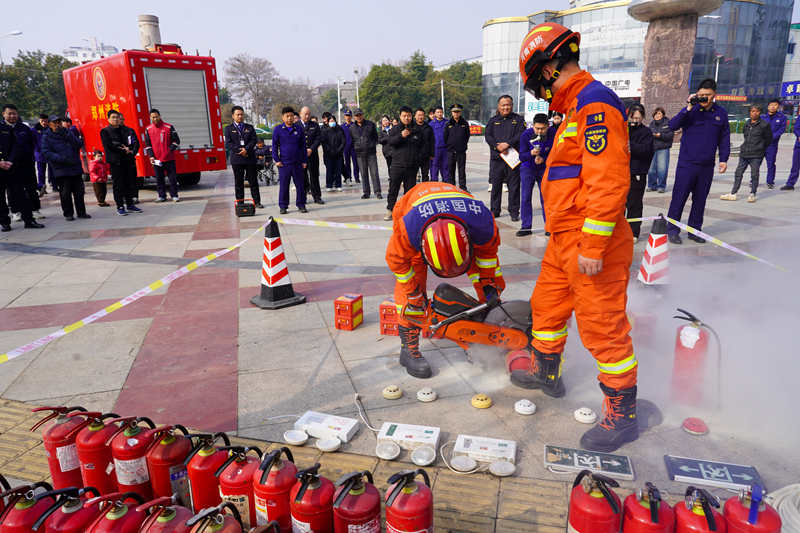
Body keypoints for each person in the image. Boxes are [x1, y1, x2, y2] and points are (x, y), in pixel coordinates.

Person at [519, 22, 638, 452]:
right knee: (545, 309)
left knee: (602, 328)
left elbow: (608, 181)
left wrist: (592, 245)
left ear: (549, 68)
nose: (541, 95)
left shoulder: (595, 105)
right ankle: (546, 372)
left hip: (591, 244)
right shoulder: (573, 110)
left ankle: (622, 415)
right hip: (562, 239)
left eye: (538, 85)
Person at [385, 181, 505, 378]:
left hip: (460, 215)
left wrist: (490, 289)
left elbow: (487, 260)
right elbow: (397, 261)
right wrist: (414, 293)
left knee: (486, 284)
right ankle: (408, 349)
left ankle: (481, 333)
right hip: (412, 205)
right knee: (411, 289)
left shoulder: (483, 224)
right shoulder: (408, 229)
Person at [666, 78, 730, 244]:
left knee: (700, 200)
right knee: (679, 198)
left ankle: (694, 231)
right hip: (687, 164)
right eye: (701, 95)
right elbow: (673, 125)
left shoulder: (721, 113)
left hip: (706, 166)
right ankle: (672, 229)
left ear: (714, 95)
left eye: (707, 95)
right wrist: (688, 107)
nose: (704, 98)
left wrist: (723, 159)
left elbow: (724, 138)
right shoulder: (691, 111)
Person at [41, 115, 91, 221]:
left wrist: (69, 135)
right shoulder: (47, 136)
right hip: (61, 169)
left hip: (75, 166)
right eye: (55, 122)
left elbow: (78, 144)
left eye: (59, 122)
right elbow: (46, 152)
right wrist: (60, 158)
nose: (57, 124)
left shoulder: (67, 132)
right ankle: (68, 214)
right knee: (65, 193)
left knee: (79, 192)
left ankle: (81, 212)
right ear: (50, 124)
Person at [485, 95, 524, 221]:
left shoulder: (518, 119)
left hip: (512, 158)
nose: (505, 107)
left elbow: (521, 134)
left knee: (514, 186)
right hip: (497, 159)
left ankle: (514, 212)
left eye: (508, 105)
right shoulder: (493, 120)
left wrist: (508, 144)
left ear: (512, 106)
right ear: (499, 106)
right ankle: (495, 210)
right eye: (503, 105)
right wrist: (497, 146)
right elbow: (488, 136)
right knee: (496, 186)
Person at [720, 105, 771, 203]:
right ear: (750, 112)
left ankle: (753, 194)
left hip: (756, 155)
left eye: (757, 111)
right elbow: (745, 135)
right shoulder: (747, 123)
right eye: (752, 111)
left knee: (754, 174)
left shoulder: (764, 125)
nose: (754, 113)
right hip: (744, 154)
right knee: (738, 173)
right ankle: (733, 193)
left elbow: (768, 140)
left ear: (760, 112)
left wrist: (760, 148)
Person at [3, 104, 43, 222]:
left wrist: (31, 158)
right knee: (12, 190)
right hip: (9, 166)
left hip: (26, 164)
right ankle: (16, 211)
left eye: (14, 113)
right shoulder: (2, 129)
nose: (12, 116)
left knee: (31, 187)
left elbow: (32, 144)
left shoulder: (24, 128)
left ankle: (35, 209)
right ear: (4, 114)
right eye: (9, 113)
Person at [517, 113, 554, 237]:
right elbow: (521, 156)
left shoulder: (553, 133)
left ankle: (549, 226)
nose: (539, 131)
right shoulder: (525, 135)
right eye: (537, 128)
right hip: (528, 169)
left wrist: (544, 158)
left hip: (544, 169)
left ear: (548, 126)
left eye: (542, 129)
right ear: (533, 126)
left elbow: (556, 152)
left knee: (546, 198)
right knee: (526, 197)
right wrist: (531, 153)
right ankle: (526, 226)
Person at [385, 106, 424, 221]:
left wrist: (418, 160)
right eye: (404, 116)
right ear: (400, 116)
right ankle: (390, 210)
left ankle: (407, 211)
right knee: (393, 189)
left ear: (412, 116)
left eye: (409, 116)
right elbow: (390, 142)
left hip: (412, 166)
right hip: (397, 165)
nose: (406, 118)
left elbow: (422, 146)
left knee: (410, 191)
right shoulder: (395, 129)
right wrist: (401, 136)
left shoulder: (416, 129)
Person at [100, 110, 142, 215]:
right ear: (108, 119)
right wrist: (124, 150)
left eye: (117, 117)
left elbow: (136, 143)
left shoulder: (128, 130)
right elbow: (110, 145)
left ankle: (130, 204)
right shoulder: (105, 131)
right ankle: (120, 206)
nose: (116, 119)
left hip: (128, 160)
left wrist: (132, 151)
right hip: (116, 162)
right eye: (113, 117)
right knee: (118, 185)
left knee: (129, 183)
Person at [625, 104, 654, 241]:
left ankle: (633, 233)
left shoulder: (646, 132)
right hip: (620, 173)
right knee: (618, 204)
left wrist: (631, 146)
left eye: (638, 117)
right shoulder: (622, 129)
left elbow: (647, 150)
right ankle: (619, 232)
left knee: (634, 204)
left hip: (637, 173)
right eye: (633, 117)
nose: (635, 120)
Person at [223, 106, 262, 208]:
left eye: (241, 114)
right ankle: (240, 202)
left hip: (249, 158)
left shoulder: (249, 127)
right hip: (237, 159)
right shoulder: (228, 129)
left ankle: (257, 202)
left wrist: (246, 149)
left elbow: (254, 140)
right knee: (239, 182)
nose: (240, 116)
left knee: (253, 181)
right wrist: (240, 150)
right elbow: (228, 143)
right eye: (238, 114)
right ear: (233, 116)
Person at [272, 106, 308, 214]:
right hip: (284, 163)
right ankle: (283, 206)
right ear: (283, 117)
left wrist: (304, 161)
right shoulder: (278, 129)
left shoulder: (299, 129)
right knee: (284, 185)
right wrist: (277, 160)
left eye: (291, 116)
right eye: (287, 116)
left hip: (297, 163)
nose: (289, 118)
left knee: (300, 185)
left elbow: (303, 146)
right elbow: (274, 146)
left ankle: (301, 204)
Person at [145, 108, 182, 203]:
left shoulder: (169, 127)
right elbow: (148, 145)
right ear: (150, 118)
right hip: (157, 160)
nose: (155, 119)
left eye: (156, 116)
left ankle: (174, 195)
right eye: (153, 117)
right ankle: (161, 196)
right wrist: (151, 156)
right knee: (159, 178)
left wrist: (169, 151)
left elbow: (176, 141)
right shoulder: (148, 129)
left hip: (169, 158)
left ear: (160, 116)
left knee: (172, 178)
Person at [350, 108, 382, 199]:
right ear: (354, 117)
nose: (359, 117)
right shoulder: (352, 128)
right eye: (356, 115)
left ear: (363, 115)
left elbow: (376, 137)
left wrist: (372, 145)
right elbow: (352, 140)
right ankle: (366, 192)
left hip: (371, 153)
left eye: (360, 115)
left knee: (374, 173)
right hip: (360, 154)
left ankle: (377, 191)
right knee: (363, 174)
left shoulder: (370, 124)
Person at [299, 106, 324, 205]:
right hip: (301, 156)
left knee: (314, 176)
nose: (307, 116)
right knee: (302, 177)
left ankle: (317, 196)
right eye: (305, 114)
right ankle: (303, 196)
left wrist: (311, 149)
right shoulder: (296, 125)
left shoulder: (315, 125)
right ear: (300, 114)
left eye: (308, 114)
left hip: (312, 154)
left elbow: (318, 138)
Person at [444, 104, 470, 191]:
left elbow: (467, 136)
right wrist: (449, 146)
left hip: (461, 151)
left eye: (458, 112)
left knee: (462, 170)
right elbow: (445, 137)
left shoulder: (464, 123)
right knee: (451, 170)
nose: (456, 114)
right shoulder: (448, 124)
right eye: (454, 112)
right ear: (451, 113)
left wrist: (462, 145)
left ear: (460, 112)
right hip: (451, 151)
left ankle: (463, 187)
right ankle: (452, 187)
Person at [647, 107, 673, 192]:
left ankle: (661, 186)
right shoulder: (651, 124)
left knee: (662, 168)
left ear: (663, 115)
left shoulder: (668, 123)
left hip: (663, 148)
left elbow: (670, 136)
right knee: (651, 169)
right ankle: (651, 185)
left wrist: (660, 135)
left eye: (659, 114)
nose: (657, 116)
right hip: (652, 148)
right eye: (656, 114)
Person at [762, 98, 785, 189]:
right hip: (761, 144)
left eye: (775, 105)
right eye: (771, 105)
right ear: (768, 106)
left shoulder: (782, 118)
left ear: (778, 107)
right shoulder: (762, 117)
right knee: (756, 163)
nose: (773, 107)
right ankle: (753, 180)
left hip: (772, 145)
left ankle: (770, 181)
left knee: (771, 163)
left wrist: (771, 138)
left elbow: (781, 130)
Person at [118, 115, 140, 204]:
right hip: (119, 159)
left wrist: (132, 152)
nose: (121, 121)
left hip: (130, 158)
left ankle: (134, 196)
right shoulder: (113, 132)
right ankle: (124, 197)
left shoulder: (130, 131)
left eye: (122, 119)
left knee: (132, 178)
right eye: (119, 119)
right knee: (122, 179)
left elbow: (136, 143)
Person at [321, 112, 345, 193]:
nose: (332, 122)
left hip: (338, 154)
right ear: (327, 122)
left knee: (338, 170)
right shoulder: (325, 131)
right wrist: (329, 150)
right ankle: (329, 185)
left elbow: (343, 141)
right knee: (329, 170)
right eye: (330, 121)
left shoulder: (339, 129)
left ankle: (338, 185)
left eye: (333, 121)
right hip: (328, 154)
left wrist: (339, 150)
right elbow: (324, 142)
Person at [33, 114, 53, 194]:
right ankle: (42, 187)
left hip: (50, 153)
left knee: (52, 170)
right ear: (39, 120)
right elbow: (33, 142)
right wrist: (36, 150)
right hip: (40, 154)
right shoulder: (34, 130)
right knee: (41, 171)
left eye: (45, 121)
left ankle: (54, 185)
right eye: (42, 121)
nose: (44, 122)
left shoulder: (51, 128)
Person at [429, 106, 449, 181]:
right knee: (434, 167)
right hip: (435, 149)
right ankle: (434, 183)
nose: (440, 114)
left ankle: (446, 183)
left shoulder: (447, 122)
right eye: (438, 112)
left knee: (445, 166)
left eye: (441, 112)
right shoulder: (431, 124)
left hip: (445, 149)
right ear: (434, 113)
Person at [782, 112, 800, 190]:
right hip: (799, 146)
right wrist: (799, 135)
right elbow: (796, 128)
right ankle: (790, 184)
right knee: (795, 166)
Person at [341, 109, 360, 185]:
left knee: (356, 163)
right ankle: (348, 177)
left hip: (354, 147)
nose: (347, 117)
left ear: (351, 116)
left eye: (349, 115)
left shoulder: (354, 125)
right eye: (346, 115)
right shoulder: (342, 126)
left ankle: (357, 177)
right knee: (347, 163)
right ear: (344, 116)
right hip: (346, 147)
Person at [415, 108, 434, 182]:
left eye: (422, 115)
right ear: (415, 116)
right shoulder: (411, 127)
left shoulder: (428, 127)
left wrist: (432, 154)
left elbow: (432, 141)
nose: (420, 117)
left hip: (425, 155)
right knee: (412, 175)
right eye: (419, 115)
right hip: (414, 156)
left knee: (425, 175)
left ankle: (425, 192)